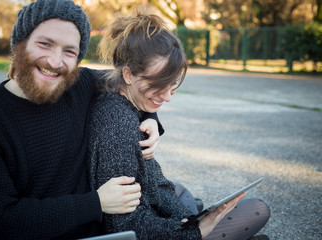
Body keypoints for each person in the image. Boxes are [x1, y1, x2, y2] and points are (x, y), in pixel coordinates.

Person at [0, 1, 163, 239]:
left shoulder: (83, 84)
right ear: (19, 43)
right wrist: (96, 202)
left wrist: (150, 117)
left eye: (69, 51)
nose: (55, 62)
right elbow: (3, 220)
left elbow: (132, 83)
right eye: (45, 44)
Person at [87, 10, 271, 240]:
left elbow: (154, 182)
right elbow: (123, 226)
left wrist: (184, 219)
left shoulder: (130, 106)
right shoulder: (117, 123)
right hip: (140, 228)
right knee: (257, 209)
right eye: (159, 86)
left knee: (185, 197)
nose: (167, 98)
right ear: (128, 74)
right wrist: (192, 231)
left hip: (150, 214)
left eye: (172, 87)